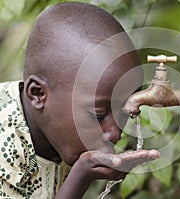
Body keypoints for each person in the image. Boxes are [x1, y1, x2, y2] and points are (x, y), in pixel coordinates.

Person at [0, 2, 160, 198]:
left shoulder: (56, 129)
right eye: (98, 114)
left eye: (126, 112)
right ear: (38, 94)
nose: (115, 133)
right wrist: (81, 176)